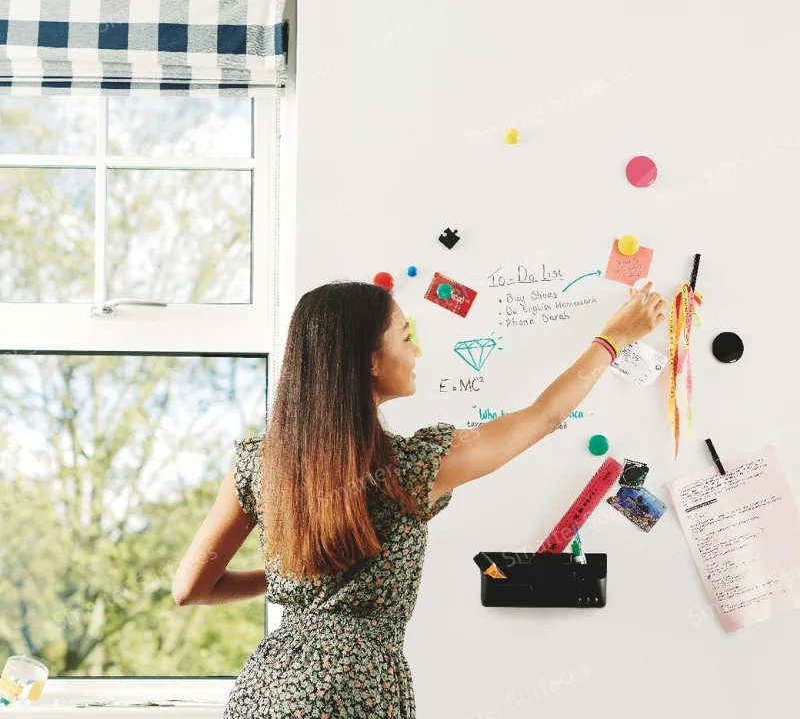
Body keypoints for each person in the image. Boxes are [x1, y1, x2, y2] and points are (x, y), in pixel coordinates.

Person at [172, 279, 665, 718]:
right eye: (407, 337)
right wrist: (614, 338)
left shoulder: (259, 465)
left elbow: (190, 588)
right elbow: (544, 416)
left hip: (268, 687)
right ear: (369, 359)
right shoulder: (411, 468)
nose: (417, 353)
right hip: (354, 690)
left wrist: (301, 572)